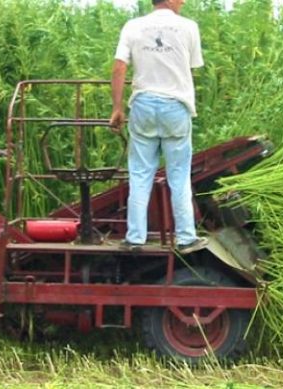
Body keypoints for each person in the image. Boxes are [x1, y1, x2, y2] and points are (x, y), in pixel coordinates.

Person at [109, 0, 208, 254]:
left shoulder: (133, 26)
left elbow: (119, 66)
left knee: (141, 173)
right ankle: (186, 237)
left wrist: (117, 108)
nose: (184, 1)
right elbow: (193, 66)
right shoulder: (188, 27)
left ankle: (135, 238)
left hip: (142, 105)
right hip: (175, 106)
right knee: (178, 174)